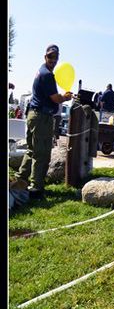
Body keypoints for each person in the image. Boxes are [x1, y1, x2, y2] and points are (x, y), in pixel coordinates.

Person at [11, 44, 73, 200]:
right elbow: (55, 98)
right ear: (45, 57)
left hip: (34, 115)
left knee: (32, 150)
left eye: (55, 57)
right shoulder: (47, 75)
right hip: (41, 118)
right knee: (42, 154)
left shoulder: (41, 71)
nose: (53, 60)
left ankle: (20, 180)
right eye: (50, 56)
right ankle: (35, 188)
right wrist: (65, 97)